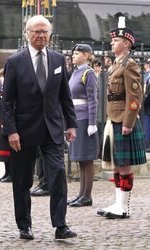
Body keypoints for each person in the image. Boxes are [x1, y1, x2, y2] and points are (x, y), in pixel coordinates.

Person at [2, 15, 77, 240]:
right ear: (27, 34)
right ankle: (24, 225)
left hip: (52, 129)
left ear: (50, 35)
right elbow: (7, 101)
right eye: (36, 31)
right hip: (23, 131)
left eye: (45, 31)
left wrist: (71, 124)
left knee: (58, 174)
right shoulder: (15, 61)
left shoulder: (57, 59)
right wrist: (11, 131)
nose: (41, 35)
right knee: (23, 180)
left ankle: (60, 225)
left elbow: (65, 96)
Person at [97, 17, 146, 219]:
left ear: (126, 43)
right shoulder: (116, 64)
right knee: (117, 164)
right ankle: (118, 203)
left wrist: (128, 123)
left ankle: (124, 207)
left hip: (124, 121)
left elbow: (135, 97)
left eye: (115, 40)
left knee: (124, 165)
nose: (112, 43)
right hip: (114, 119)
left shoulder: (130, 65)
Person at [67, 44, 99, 207]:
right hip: (76, 118)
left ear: (86, 55)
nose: (73, 56)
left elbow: (93, 100)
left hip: (85, 119)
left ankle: (87, 195)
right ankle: (81, 194)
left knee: (87, 159)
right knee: (80, 159)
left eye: (77, 53)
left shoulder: (89, 73)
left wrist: (92, 123)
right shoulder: (75, 72)